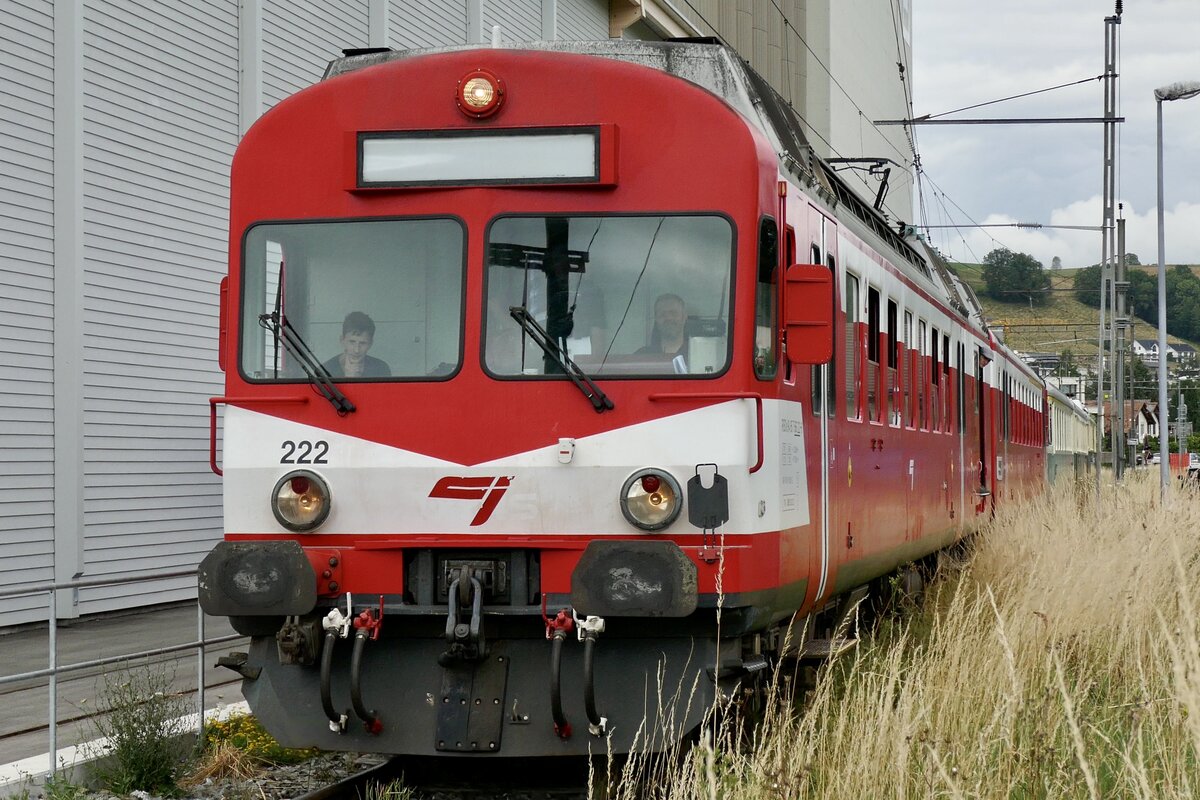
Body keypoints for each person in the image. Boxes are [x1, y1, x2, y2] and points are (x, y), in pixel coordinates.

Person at [322, 311, 391, 378]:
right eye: (352, 342)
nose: (356, 350)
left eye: (363, 343)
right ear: (342, 340)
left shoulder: (381, 369)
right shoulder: (326, 370)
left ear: (370, 344)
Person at [638, 293, 688, 360]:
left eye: (673, 313)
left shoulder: (698, 353)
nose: (668, 318)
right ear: (656, 319)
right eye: (662, 314)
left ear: (684, 317)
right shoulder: (641, 356)